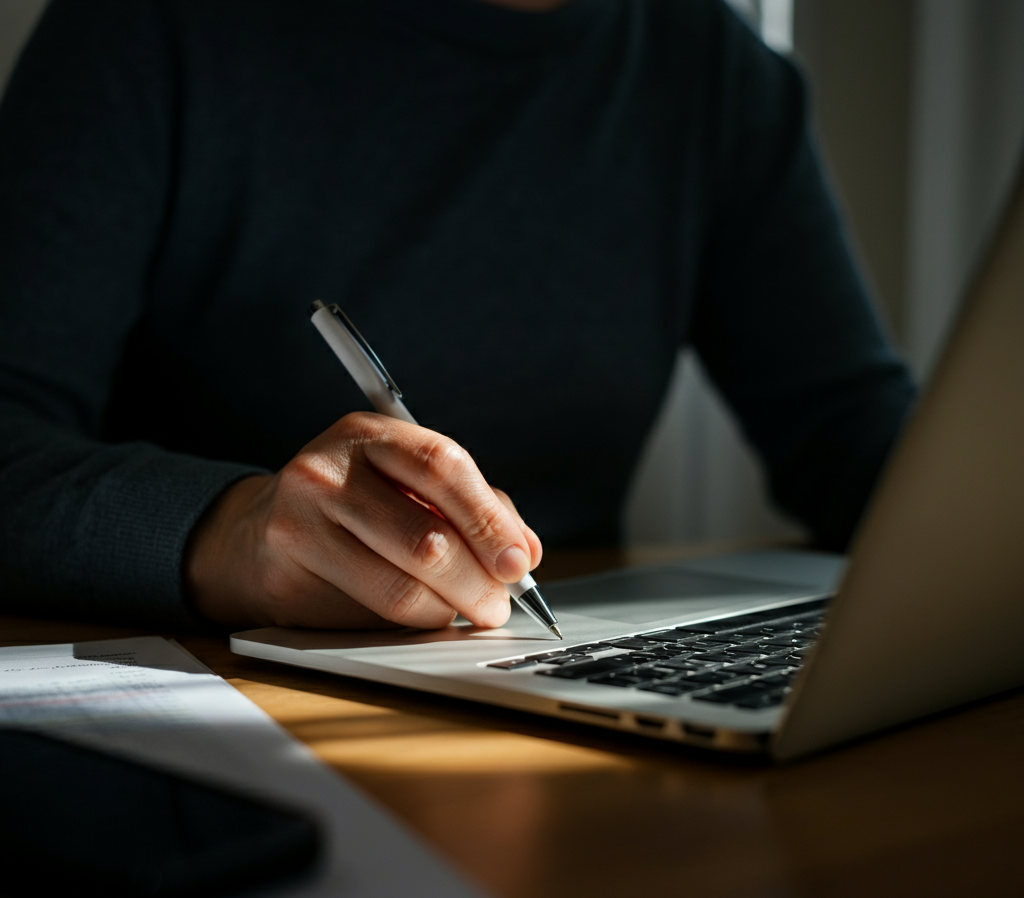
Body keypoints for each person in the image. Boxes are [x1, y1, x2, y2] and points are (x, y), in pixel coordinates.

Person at [0, 0, 915, 632]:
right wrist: (231, 537)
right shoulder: (154, 28)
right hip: (219, 704)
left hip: (544, 688)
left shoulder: (712, 69)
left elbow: (851, 435)